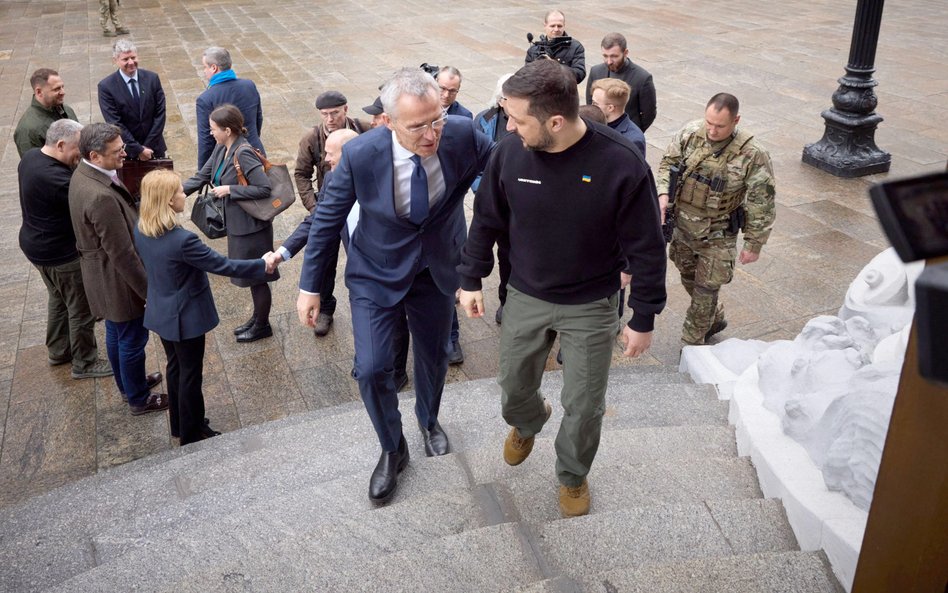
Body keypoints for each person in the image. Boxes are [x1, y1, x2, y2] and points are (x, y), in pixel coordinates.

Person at [457, 60, 666, 518]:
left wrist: (644, 316)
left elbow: (648, 246)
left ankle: (572, 474)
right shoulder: (508, 153)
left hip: (591, 302)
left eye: (517, 119)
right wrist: (470, 278)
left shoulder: (621, 163)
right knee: (512, 387)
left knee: (585, 405)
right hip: (527, 293)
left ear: (555, 121)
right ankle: (529, 421)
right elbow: (487, 218)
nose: (508, 126)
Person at [296, 67, 493, 504]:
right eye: (417, 126)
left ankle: (428, 420)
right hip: (375, 272)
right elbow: (326, 219)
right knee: (370, 368)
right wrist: (310, 286)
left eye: (436, 118)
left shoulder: (461, 134)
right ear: (387, 122)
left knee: (435, 355)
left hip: (438, 269)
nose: (431, 134)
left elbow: (507, 169)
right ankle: (392, 447)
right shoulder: (362, 154)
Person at [135, 170, 274, 445]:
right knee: (190, 375)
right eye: (177, 191)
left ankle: (180, 423)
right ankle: (192, 432)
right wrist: (262, 263)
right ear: (165, 201)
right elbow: (224, 265)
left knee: (175, 368)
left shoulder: (141, 229)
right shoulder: (182, 240)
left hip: (162, 313)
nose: (182, 194)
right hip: (185, 317)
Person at [657, 93, 776, 346]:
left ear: (736, 121)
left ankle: (692, 344)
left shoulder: (753, 154)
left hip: (718, 234)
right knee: (688, 276)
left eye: (719, 126)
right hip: (684, 228)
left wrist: (754, 243)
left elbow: (761, 200)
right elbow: (668, 163)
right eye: (709, 122)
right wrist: (663, 192)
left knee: (705, 290)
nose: (712, 130)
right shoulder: (690, 134)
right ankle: (715, 316)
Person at [68, 123, 167, 415]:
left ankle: (128, 384)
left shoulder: (84, 174)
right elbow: (122, 253)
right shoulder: (100, 197)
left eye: (122, 147)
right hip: (117, 281)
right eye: (117, 151)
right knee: (132, 339)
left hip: (101, 275)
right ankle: (138, 397)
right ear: (94, 155)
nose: (124, 154)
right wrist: (149, 291)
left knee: (115, 332)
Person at [18, 120, 112, 379]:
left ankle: (59, 351)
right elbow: (91, 199)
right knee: (81, 307)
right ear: (59, 144)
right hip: (60, 255)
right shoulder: (58, 179)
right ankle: (85, 362)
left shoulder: (30, 157)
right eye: (76, 149)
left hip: (36, 247)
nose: (80, 154)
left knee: (59, 299)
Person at [183, 104, 278, 343]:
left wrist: (230, 189)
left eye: (213, 129)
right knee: (250, 275)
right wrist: (172, 193)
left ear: (227, 129)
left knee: (257, 276)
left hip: (252, 228)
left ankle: (262, 324)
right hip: (239, 225)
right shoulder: (221, 148)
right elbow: (202, 176)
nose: (210, 133)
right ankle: (257, 318)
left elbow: (264, 188)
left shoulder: (243, 151)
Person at [473, 73, 514, 325]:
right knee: (506, 256)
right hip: (497, 204)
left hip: (523, 204)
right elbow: (474, 168)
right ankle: (506, 301)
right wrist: (487, 191)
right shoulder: (484, 121)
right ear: (500, 101)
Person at [97, 39, 167, 162]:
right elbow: (115, 123)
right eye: (125, 59)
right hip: (127, 152)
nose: (131, 62)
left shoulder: (152, 78)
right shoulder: (106, 87)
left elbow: (160, 113)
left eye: (133, 57)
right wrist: (138, 150)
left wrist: (147, 146)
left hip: (154, 148)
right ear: (115, 60)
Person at [195, 47, 264, 168]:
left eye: (205, 67)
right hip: (256, 153)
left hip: (229, 164)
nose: (204, 71)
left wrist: (202, 172)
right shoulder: (249, 85)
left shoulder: (206, 99)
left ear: (214, 68)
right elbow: (258, 119)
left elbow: (205, 140)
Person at [585, 33, 657, 132]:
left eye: (614, 56)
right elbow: (590, 104)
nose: (609, 61)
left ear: (626, 53)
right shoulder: (596, 71)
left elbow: (649, 113)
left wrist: (634, 131)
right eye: (605, 56)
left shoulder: (642, 78)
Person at [14, 69, 78, 158]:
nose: (63, 92)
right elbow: (34, 166)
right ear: (39, 92)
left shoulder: (67, 110)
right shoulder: (27, 130)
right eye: (57, 89)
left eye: (62, 87)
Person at [524, 10, 586, 84]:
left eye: (559, 26)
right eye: (552, 26)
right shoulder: (534, 49)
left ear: (564, 25)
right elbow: (526, 76)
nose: (556, 29)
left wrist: (555, 66)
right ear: (545, 26)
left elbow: (580, 74)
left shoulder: (575, 47)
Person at [590, 78, 646, 156]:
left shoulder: (633, 140)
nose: (591, 106)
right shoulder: (592, 123)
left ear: (610, 108)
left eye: (595, 103)